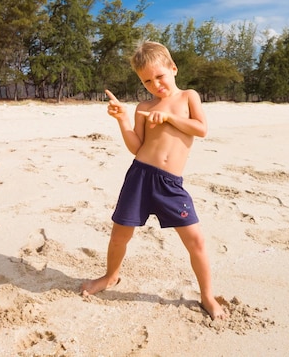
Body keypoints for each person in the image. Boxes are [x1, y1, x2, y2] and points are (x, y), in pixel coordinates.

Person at [80, 41, 227, 320]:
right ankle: (111, 276)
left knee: (195, 240)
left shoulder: (187, 97)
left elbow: (201, 129)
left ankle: (207, 295)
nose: (155, 84)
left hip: (170, 184)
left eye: (159, 76)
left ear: (173, 68)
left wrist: (169, 117)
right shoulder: (144, 107)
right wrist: (123, 119)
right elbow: (137, 146)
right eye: (147, 80)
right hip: (139, 176)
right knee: (119, 235)